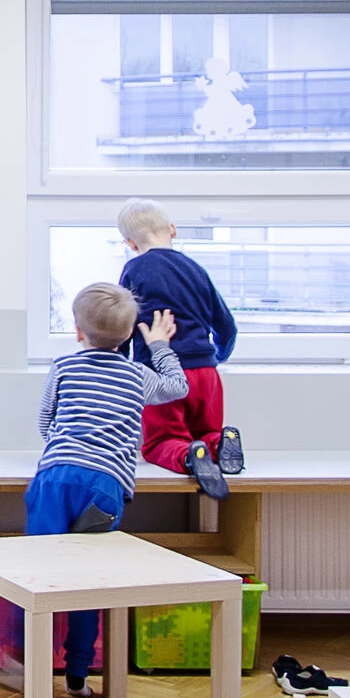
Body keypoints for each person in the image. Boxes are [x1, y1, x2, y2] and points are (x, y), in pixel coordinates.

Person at [9, 281, 189, 695]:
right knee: (86, 581)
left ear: (77, 330)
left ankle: (21, 659)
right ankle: (77, 675)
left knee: (36, 573)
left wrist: (62, 443)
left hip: (55, 478)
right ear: (128, 335)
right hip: (104, 487)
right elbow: (178, 387)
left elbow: (45, 422)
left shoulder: (64, 367)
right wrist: (159, 345)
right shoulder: (136, 373)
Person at [116, 197, 242, 500]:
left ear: (131, 244)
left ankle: (188, 457)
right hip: (205, 374)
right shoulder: (196, 270)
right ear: (172, 230)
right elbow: (227, 326)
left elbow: (123, 325)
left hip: (162, 377)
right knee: (206, 430)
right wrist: (217, 357)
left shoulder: (134, 270)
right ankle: (220, 442)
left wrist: (118, 367)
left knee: (161, 442)